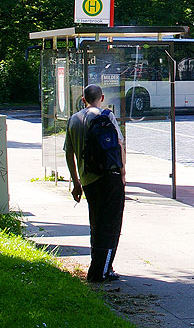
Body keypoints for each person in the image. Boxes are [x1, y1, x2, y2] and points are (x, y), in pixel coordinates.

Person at [64, 84, 126, 283]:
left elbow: (69, 153)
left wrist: (76, 182)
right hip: (110, 177)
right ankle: (103, 271)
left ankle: (96, 265)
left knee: (96, 223)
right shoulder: (106, 116)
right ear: (102, 97)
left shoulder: (74, 120)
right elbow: (119, 144)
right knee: (111, 224)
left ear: (83, 100)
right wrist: (122, 173)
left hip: (88, 180)